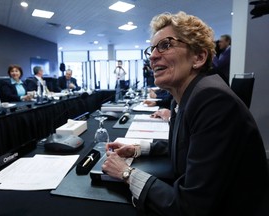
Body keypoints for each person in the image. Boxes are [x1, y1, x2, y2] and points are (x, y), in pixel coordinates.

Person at [102, 11, 268, 216]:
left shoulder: (212, 99)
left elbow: (190, 207)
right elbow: (186, 144)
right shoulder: (185, 96)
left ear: (198, 57)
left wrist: (126, 173)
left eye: (165, 45)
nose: (153, 56)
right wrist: (137, 148)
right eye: (152, 49)